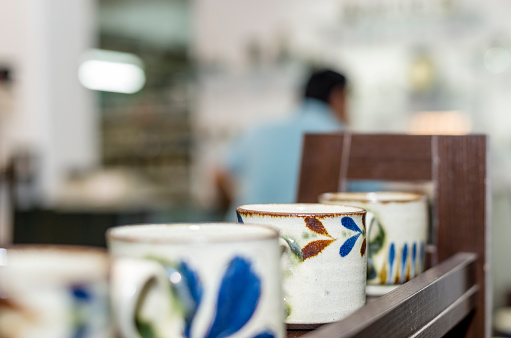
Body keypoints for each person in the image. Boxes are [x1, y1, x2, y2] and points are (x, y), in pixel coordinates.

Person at [215, 68, 349, 221]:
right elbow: (370, 199)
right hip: (302, 238)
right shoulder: (343, 139)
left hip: (245, 233)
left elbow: (217, 175)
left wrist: (233, 206)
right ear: (338, 96)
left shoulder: (260, 130)